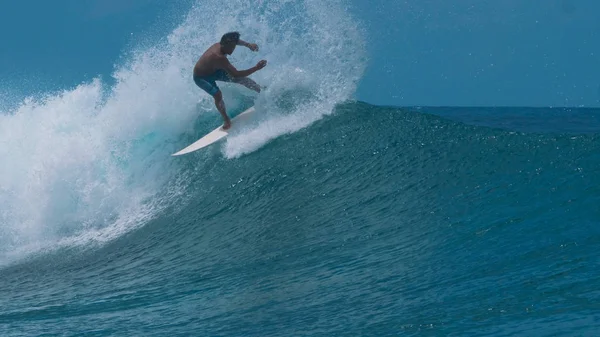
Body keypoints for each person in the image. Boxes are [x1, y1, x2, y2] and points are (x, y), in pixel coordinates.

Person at [193, 32, 267, 130]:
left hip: (215, 70)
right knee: (218, 94)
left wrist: (248, 45)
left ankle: (262, 90)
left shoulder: (225, 44)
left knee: (242, 80)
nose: (233, 49)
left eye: (234, 46)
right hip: (201, 77)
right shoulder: (219, 57)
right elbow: (236, 74)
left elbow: (236, 41)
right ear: (224, 45)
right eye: (231, 47)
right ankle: (226, 119)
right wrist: (256, 68)